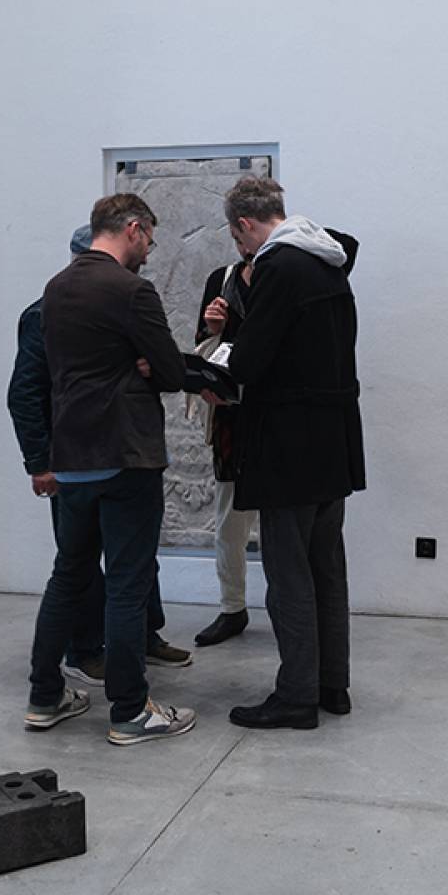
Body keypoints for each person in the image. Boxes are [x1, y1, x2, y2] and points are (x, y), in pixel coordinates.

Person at [24, 194, 214, 745]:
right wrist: (148, 367)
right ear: (133, 228)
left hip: (71, 458)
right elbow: (173, 372)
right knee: (127, 585)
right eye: (149, 238)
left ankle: (45, 697)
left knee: (68, 577)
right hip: (125, 455)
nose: (150, 250)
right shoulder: (132, 290)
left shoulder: (55, 288)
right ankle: (130, 712)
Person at [6, 225, 185, 689]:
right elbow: (25, 392)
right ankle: (87, 654)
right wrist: (38, 461)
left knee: (128, 561)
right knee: (81, 570)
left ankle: (139, 638)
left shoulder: (117, 303)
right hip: (77, 459)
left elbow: (151, 367)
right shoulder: (44, 313)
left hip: (116, 452)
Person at [221, 176, 362, 731]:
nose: (241, 251)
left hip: (289, 446)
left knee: (288, 576)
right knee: (327, 567)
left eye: (238, 240)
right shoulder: (329, 259)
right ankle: (332, 685)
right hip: (334, 443)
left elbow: (250, 361)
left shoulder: (278, 267)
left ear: (244, 224)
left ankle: (297, 695)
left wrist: (218, 366)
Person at [190, 245, 257, 646]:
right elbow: (205, 348)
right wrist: (212, 328)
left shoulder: (286, 276)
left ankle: (291, 607)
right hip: (232, 418)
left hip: (278, 417)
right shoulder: (223, 279)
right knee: (230, 519)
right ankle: (232, 607)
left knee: (284, 523)